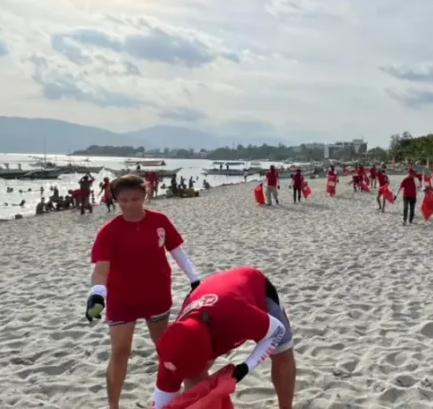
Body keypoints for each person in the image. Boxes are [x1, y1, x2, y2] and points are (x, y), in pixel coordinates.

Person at [85, 174, 202, 409]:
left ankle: (173, 398)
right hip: (122, 300)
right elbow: (101, 270)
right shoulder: (109, 231)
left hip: (156, 296)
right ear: (116, 199)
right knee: (120, 352)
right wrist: (97, 295)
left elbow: (176, 250)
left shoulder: (160, 221)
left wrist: (195, 279)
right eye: (124, 200)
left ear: (145, 196)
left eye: (135, 199)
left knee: (165, 349)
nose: (129, 205)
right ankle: (113, 405)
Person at [152, 266, 296, 409]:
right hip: (206, 301)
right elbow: (161, 403)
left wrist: (245, 368)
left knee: (283, 354)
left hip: (252, 287)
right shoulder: (171, 351)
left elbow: (277, 330)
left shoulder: (237, 316)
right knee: (194, 380)